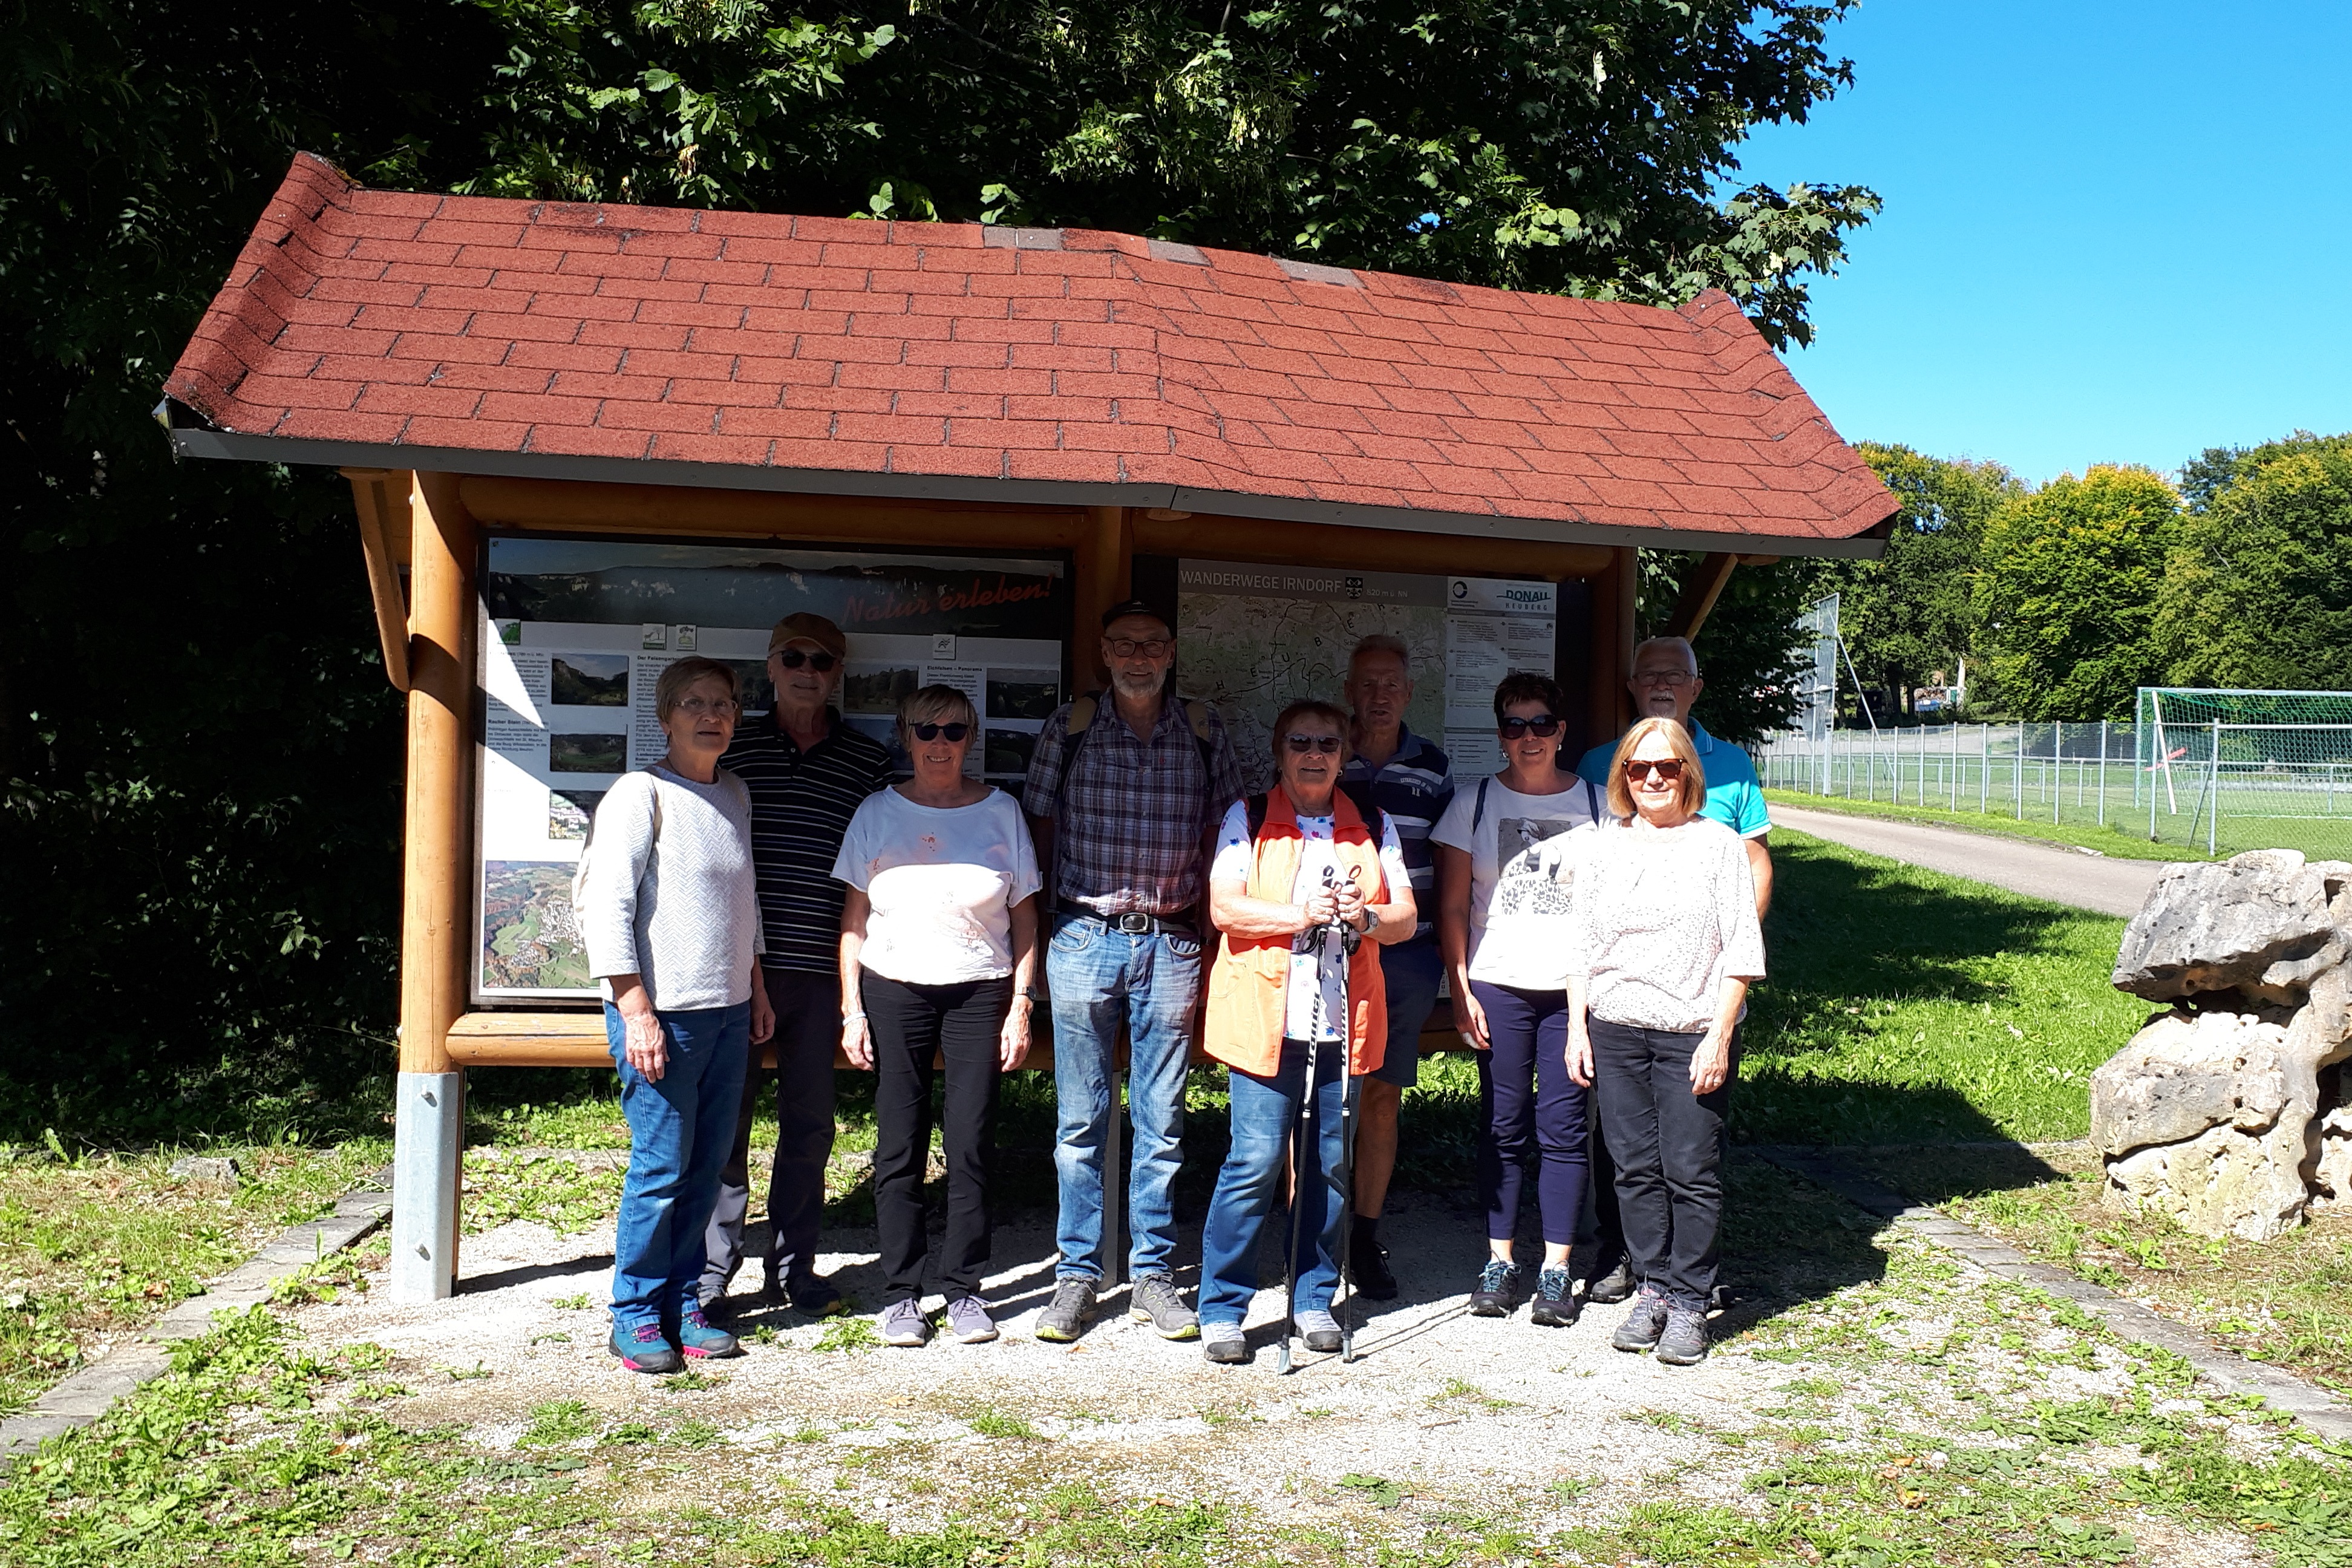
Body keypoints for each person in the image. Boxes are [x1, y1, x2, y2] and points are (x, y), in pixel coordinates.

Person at [1021, 599, 1244, 1344]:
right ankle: (1076, 1279)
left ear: (1172, 651)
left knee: (1162, 1123)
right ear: (1104, 653)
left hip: (1175, 942)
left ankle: (1152, 1274)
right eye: (1124, 645)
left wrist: (1216, 943)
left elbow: (1228, 838)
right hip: (1085, 936)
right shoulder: (1070, 726)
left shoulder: (1206, 729)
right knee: (1080, 1123)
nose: (1139, 657)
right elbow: (1038, 828)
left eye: (1151, 645)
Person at [1198, 701, 1417, 1365]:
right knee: (1255, 1163)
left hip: (1340, 1022)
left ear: (1344, 752)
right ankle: (1222, 1307)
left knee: (1327, 1164)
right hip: (1264, 1019)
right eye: (1300, 742)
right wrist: (1298, 914)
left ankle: (1313, 1297)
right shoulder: (1251, 817)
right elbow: (1223, 906)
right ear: (1279, 750)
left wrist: (1367, 917)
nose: (1314, 753)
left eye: (1327, 742)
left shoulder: (1372, 823)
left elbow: (1405, 914)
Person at [577, 656, 773, 1374]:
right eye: (694, 703)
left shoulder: (735, 793)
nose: (711, 714)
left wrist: (756, 986)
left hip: (726, 1011)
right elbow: (607, 907)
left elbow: (744, 901)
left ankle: (685, 1300)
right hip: (663, 1013)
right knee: (661, 1167)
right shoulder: (640, 793)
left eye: (722, 703)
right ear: (665, 718)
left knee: (707, 1166)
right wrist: (636, 1010)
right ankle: (633, 1312)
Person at [835, 685, 1041, 1347]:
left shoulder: (1003, 811)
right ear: (905, 735)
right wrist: (851, 1010)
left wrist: (1020, 1004)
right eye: (926, 730)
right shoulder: (877, 811)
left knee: (971, 1142)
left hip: (980, 990)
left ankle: (964, 1289)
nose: (939, 743)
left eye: (954, 731)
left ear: (970, 737)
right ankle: (901, 1294)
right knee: (899, 1143)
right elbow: (854, 919)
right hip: (894, 988)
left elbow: (1026, 916)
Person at [1571, 634, 1774, 1305]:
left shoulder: (1722, 828)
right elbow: (1584, 939)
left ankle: (1690, 1293)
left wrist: (1723, 1004)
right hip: (1621, 1021)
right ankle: (1649, 1279)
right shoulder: (1604, 829)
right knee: (1630, 1163)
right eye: (1638, 769)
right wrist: (1579, 1024)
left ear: (1690, 772)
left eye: (1666, 768)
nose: (1652, 777)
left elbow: (1749, 903)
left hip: (1694, 1013)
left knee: (1689, 1164)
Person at [702, 612, 892, 1319]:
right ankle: (713, 1276)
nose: (808, 669)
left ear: (838, 672)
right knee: (726, 1125)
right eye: (794, 657)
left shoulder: (869, 761)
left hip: (821, 968)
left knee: (809, 1126)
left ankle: (795, 1269)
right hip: (732, 968)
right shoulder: (732, 748)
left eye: (823, 660)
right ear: (772, 666)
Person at [1429, 674, 1606, 1325]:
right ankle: (1499, 1261)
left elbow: (1606, 910)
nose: (1527, 738)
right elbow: (1450, 905)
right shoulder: (1473, 802)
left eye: (1540, 724)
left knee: (1562, 1129)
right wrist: (1461, 987)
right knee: (1503, 1128)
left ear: (1561, 731)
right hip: (1497, 984)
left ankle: (1557, 1270)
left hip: (1571, 990)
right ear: (1499, 732)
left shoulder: (1597, 804)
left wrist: (1588, 1007)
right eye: (1513, 725)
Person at [1336, 635, 1453, 1300]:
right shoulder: (1323, 753)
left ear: (1408, 694)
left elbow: (1451, 868)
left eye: (1392, 685)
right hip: (1327, 957)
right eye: (1368, 684)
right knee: (1319, 1097)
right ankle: (1313, 1235)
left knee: (1380, 1099)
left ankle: (1364, 1234)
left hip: (1406, 958)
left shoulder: (1433, 769)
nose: (1379, 696)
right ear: (1350, 691)